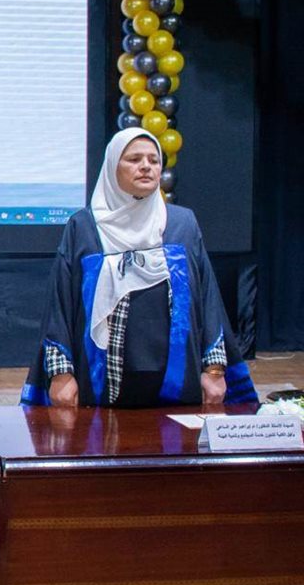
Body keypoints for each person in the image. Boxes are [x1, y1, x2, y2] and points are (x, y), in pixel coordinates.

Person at [22, 128, 257, 408]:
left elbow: (208, 301)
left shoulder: (182, 224)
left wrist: (214, 370)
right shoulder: (84, 227)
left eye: (154, 160)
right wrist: (61, 374)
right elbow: (60, 303)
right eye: (134, 159)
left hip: (177, 383)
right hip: (100, 383)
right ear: (112, 167)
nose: (146, 166)